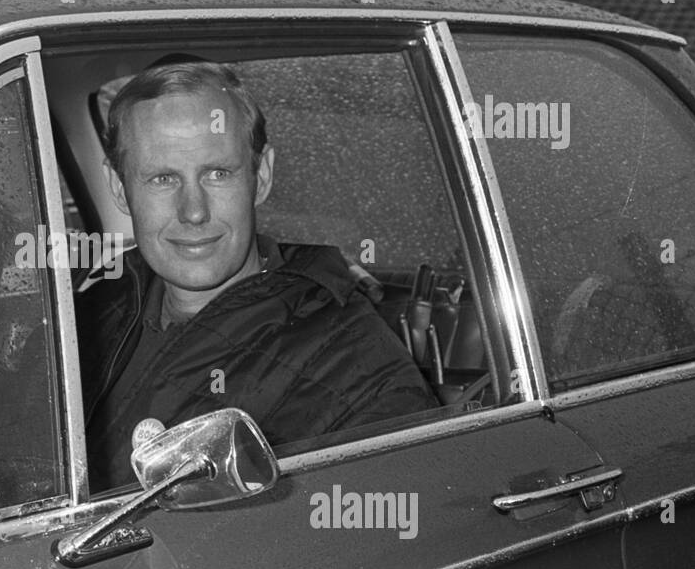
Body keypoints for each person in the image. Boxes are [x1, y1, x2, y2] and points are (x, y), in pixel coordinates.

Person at [76, 61, 437, 491]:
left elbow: (395, 525)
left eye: (218, 173)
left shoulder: (353, 366)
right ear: (119, 189)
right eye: (162, 178)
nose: (194, 211)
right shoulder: (87, 315)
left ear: (260, 176)